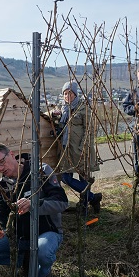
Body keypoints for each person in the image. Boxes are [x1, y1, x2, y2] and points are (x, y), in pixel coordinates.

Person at [0, 144, 68, 277]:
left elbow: (62, 202)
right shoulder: (2, 184)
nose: (1, 168)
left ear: (12, 154)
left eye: (2, 162)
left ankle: (44, 270)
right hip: (17, 237)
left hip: (46, 232)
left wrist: (34, 205)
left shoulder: (40, 171)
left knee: (42, 256)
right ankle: (20, 259)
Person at [53, 81, 102, 213]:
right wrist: (54, 116)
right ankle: (93, 198)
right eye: (65, 93)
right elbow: (60, 127)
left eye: (70, 93)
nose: (67, 96)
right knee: (65, 177)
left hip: (80, 149)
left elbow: (89, 129)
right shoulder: (62, 109)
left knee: (84, 178)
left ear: (75, 94)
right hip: (66, 148)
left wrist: (83, 147)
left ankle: (85, 207)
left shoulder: (83, 107)